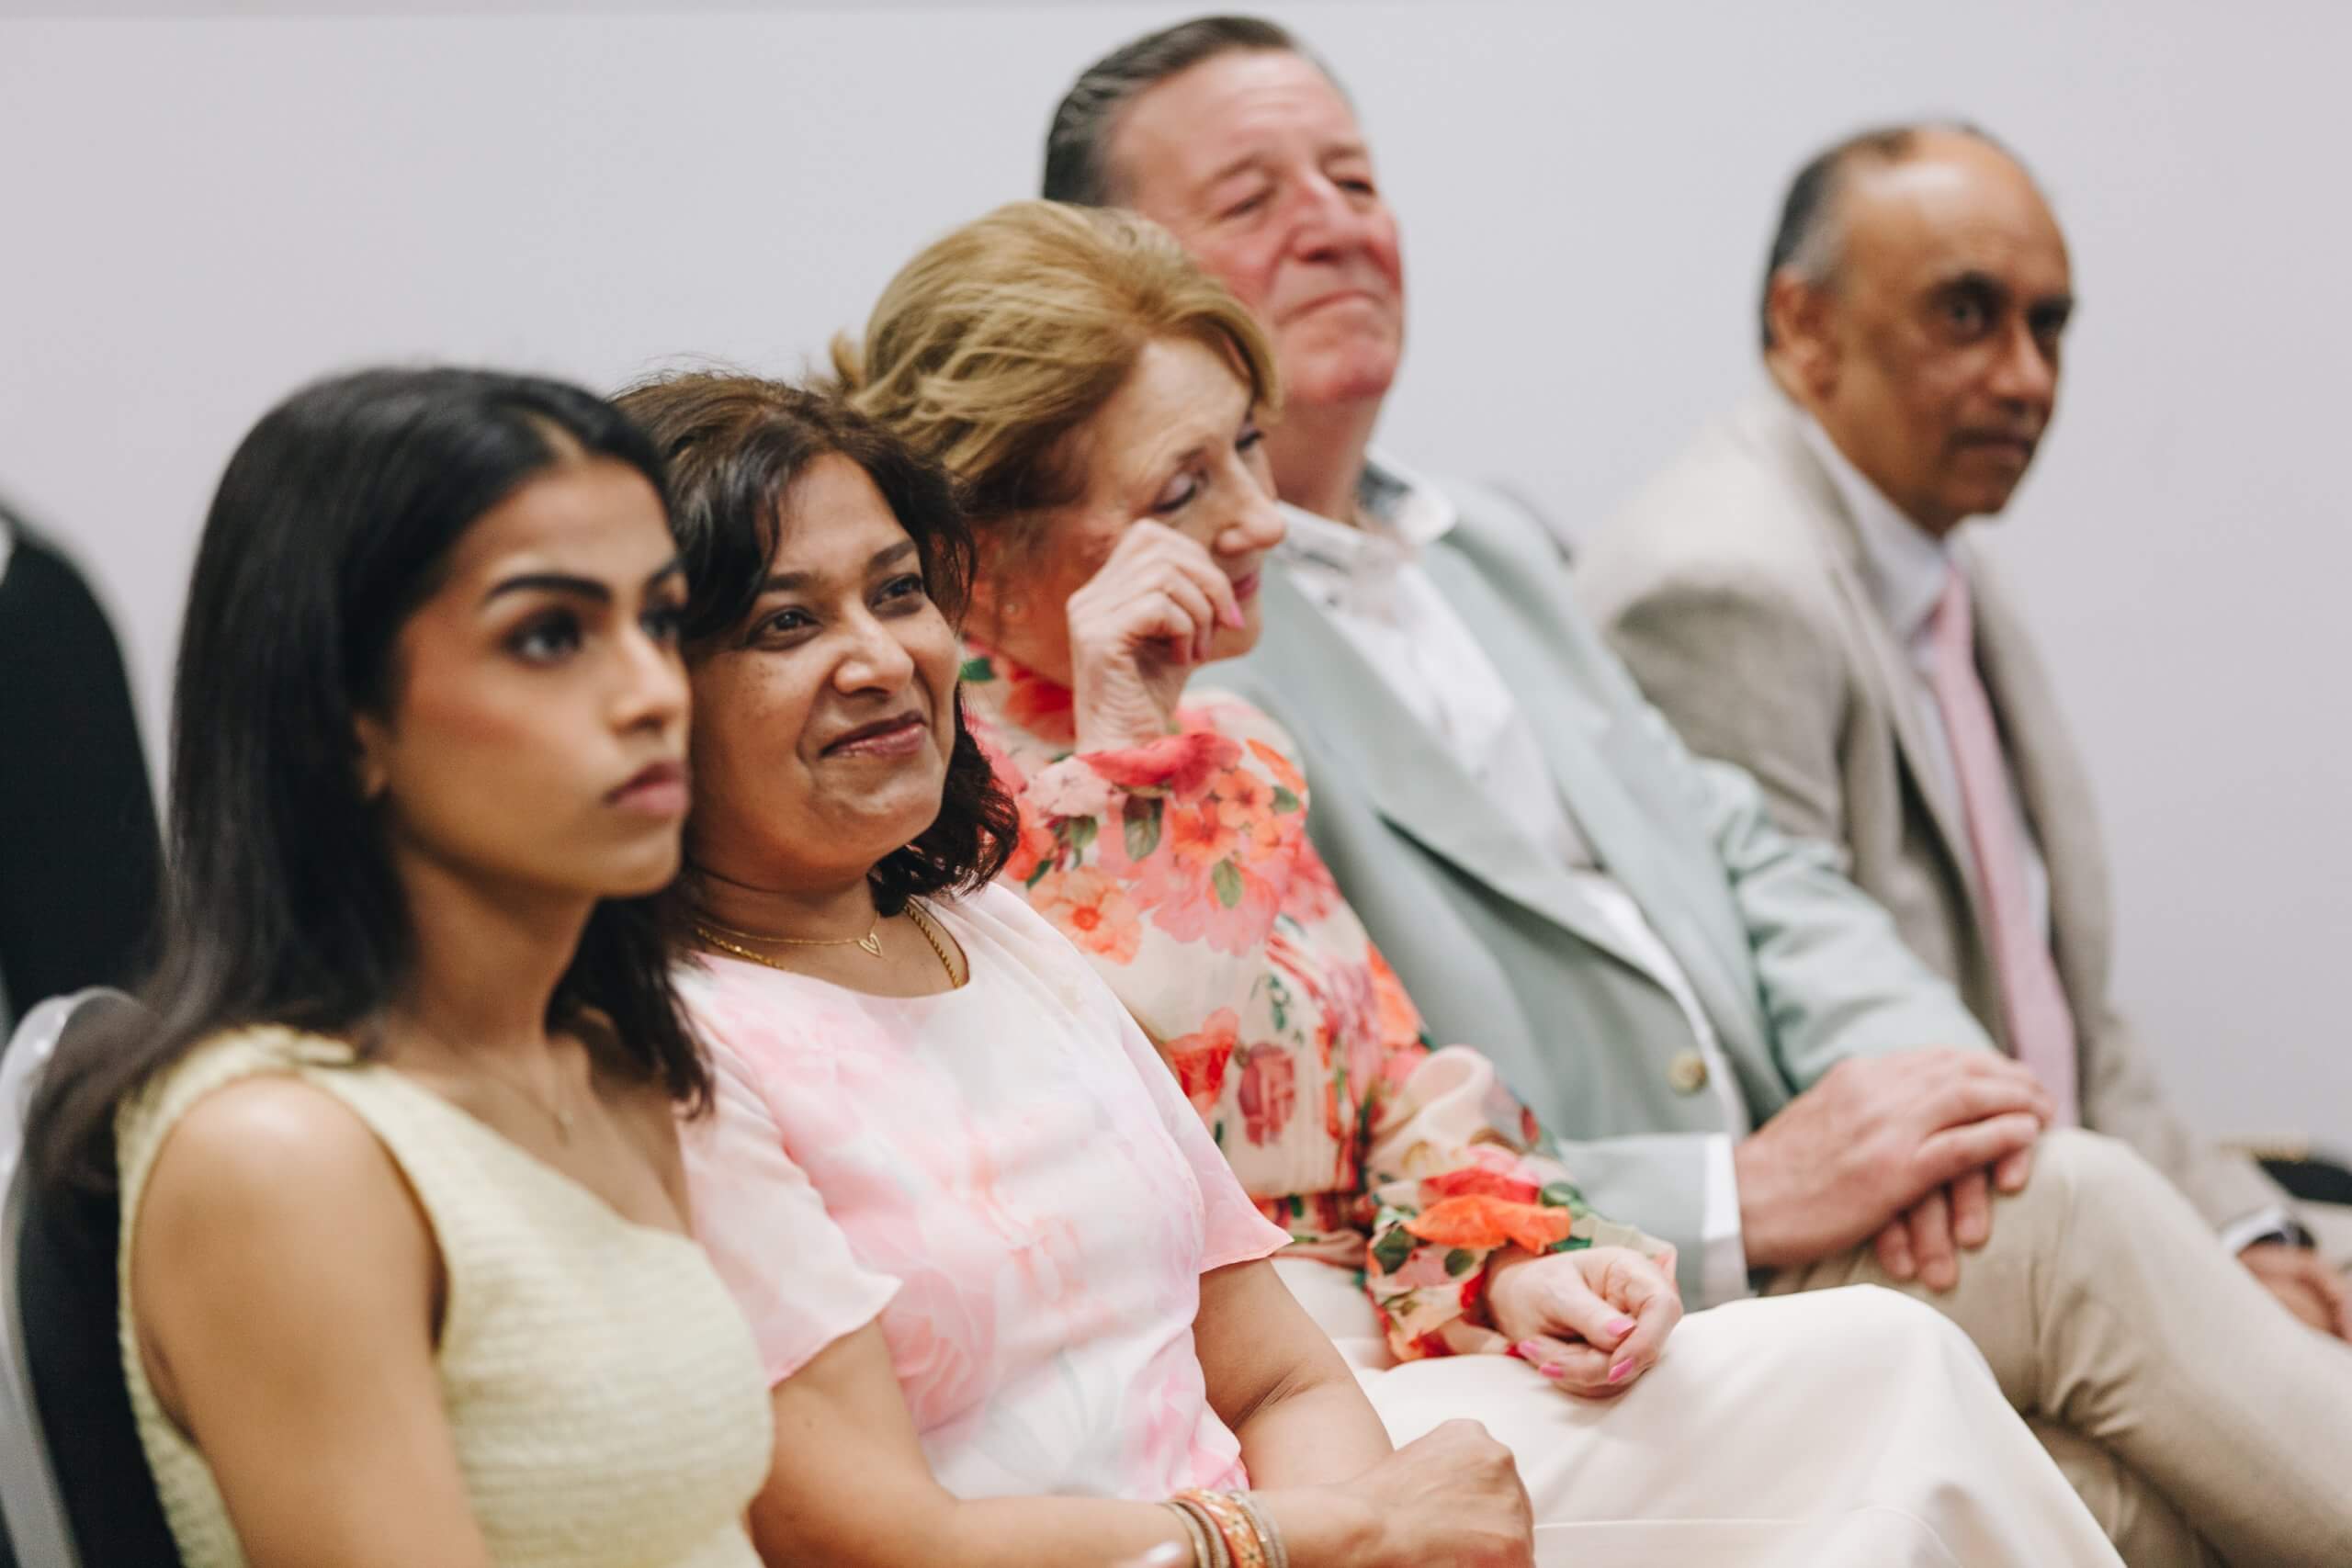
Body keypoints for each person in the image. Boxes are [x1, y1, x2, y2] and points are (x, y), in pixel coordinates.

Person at [1042, 16, 2352, 1563]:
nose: (1335, 221)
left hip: (1825, 1215)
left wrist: (1935, 1099)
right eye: (1255, 197)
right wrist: (1741, 1188)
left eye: (1354, 174)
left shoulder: (1491, 548)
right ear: (1110, 278)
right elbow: (1304, 1152)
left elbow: (1745, 857)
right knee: (2074, 1233)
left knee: (2110, 1467)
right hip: (1591, 1266)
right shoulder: (1178, 669)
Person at [834, 195, 2128, 1566]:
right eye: (1182, 489)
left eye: (1249, 450)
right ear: (977, 568)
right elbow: (1129, 1150)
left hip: (1390, 1342)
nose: (1262, 519)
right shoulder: (930, 823)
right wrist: (1133, 761)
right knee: (1893, 1372)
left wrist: (1520, 1259)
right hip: (1232, 1422)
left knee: (1953, 1420)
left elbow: (1398, 1080)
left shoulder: (1237, 746)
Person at [616, 370, 1537, 1568]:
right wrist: (1331, 1536)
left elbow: (1277, 1381)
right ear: (644, 692)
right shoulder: (678, 1051)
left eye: (899, 595)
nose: (882, 659)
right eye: (788, 623)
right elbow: (880, 1544)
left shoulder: (987, 925)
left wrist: (1359, 1542)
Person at [1576, 121, 2352, 1335]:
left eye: (2049, 326)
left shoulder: (1935, 557)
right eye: (1967, 315)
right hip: (1932, 1263)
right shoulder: (1722, 583)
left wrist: (2241, 1229)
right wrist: (2190, 1273)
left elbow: (2066, 1009)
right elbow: (1800, 1049)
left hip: (2076, 1179)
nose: (2027, 377)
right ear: (1803, 327)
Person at [24, 367, 774, 1567]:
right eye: (549, 635)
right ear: (342, 717)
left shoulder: (603, 1061)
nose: (651, 692)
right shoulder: (280, 1156)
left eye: (663, 620)